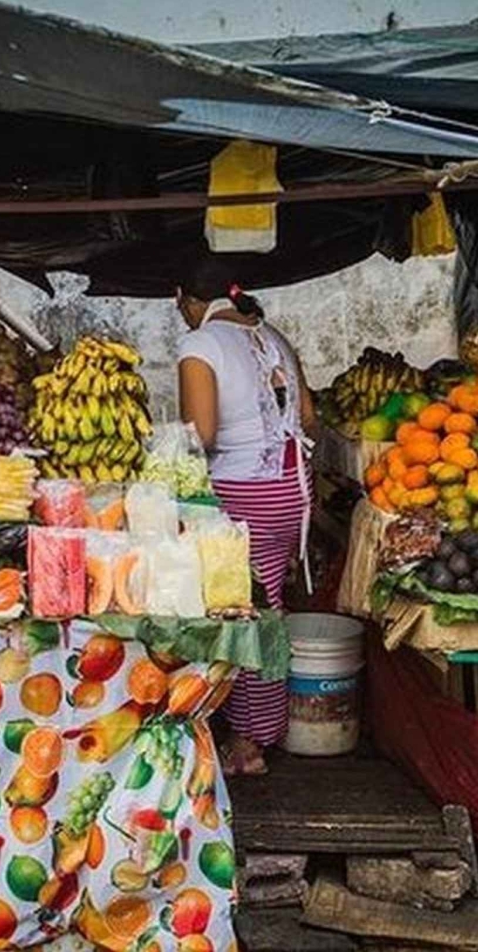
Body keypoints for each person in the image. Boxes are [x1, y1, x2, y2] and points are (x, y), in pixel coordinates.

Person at [176, 259, 315, 775]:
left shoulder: (200, 344)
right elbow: (307, 418)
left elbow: (201, 435)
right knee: (267, 606)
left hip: (241, 494)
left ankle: (251, 742)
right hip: (290, 492)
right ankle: (258, 726)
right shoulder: (271, 334)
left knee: (243, 616)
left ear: (184, 300)